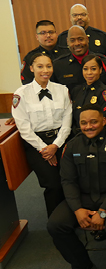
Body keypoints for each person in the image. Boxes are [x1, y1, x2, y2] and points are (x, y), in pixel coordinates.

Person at [47, 104, 106, 269]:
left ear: (103, 121)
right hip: (83, 197)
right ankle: (81, 265)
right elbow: (68, 181)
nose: (88, 126)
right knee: (55, 224)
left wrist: (103, 212)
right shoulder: (72, 145)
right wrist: (77, 209)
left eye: (93, 122)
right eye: (84, 123)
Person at [12, 53, 71, 217]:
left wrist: (55, 145)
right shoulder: (21, 94)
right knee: (53, 184)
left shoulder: (62, 90)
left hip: (61, 140)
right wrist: (44, 148)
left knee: (70, 180)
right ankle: (55, 221)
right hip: (36, 144)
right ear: (31, 69)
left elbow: (67, 122)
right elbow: (24, 128)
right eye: (40, 66)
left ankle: (71, 217)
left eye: (49, 66)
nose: (45, 70)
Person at [52, 25, 106, 95]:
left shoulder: (105, 63)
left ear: (87, 39)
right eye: (72, 40)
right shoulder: (58, 66)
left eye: (80, 39)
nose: (77, 43)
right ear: (67, 42)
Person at [71, 55, 106, 133]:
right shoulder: (77, 90)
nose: (89, 73)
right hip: (77, 136)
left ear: (100, 70)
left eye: (93, 69)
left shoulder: (104, 92)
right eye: (85, 69)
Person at [21, 20, 70, 84]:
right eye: (43, 33)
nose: (48, 35)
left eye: (51, 32)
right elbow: (27, 82)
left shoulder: (68, 53)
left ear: (56, 34)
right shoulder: (30, 57)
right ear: (37, 37)